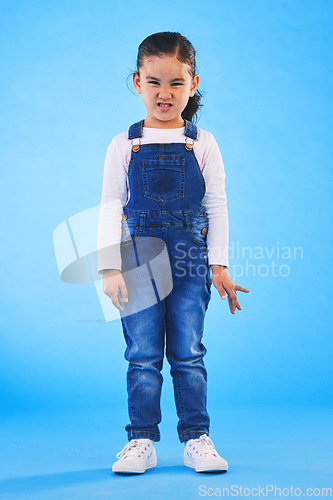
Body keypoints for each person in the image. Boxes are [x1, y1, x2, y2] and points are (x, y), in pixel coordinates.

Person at [97, 31, 250, 474]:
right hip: (137, 260)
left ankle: (197, 437)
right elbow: (110, 206)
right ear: (137, 82)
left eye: (176, 83)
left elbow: (216, 205)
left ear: (193, 83)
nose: (165, 93)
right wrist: (109, 266)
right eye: (154, 82)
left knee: (188, 352)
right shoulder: (124, 143)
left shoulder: (201, 143)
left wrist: (218, 265)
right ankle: (140, 440)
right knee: (142, 354)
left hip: (189, 262)